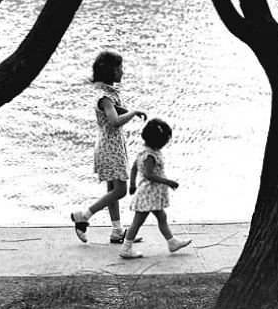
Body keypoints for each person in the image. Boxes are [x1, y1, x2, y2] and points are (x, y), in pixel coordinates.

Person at [70, 49, 146, 243]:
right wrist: (133, 113)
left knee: (112, 189)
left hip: (111, 145)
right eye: (120, 67)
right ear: (111, 71)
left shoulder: (108, 93)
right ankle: (84, 215)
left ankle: (116, 230)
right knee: (119, 190)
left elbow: (113, 112)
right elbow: (114, 121)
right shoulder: (106, 97)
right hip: (111, 148)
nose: (123, 71)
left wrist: (125, 111)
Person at [118, 118, 191, 259]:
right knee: (137, 222)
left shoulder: (143, 152)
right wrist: (168, 182)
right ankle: (126, 248)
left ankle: (172, 242)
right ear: (159, 141)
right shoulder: (150, 156)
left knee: (161, 216)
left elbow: (134, 168)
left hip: (151, 194)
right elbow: (148, 174)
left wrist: (132, 184)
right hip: (148, 194)